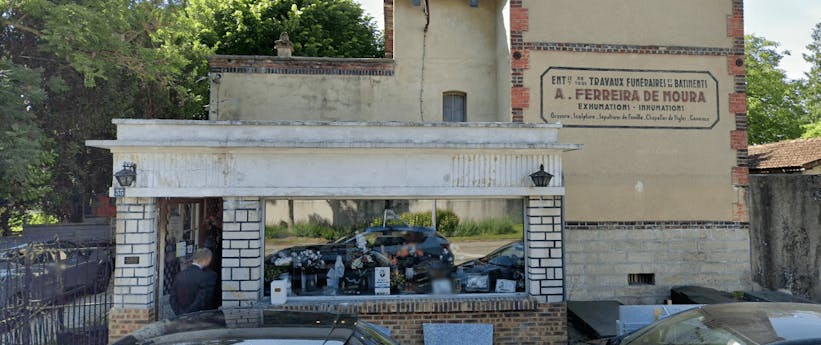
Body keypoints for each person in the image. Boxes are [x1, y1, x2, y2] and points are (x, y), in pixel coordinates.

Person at [170, 248, 217, 316]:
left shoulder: (179, 275)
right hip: (201, 318)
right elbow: (202, 300)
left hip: (181, 318)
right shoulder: (209, 276)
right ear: (207, 259)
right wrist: (189, 313)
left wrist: (180, 313)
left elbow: (172, 298)